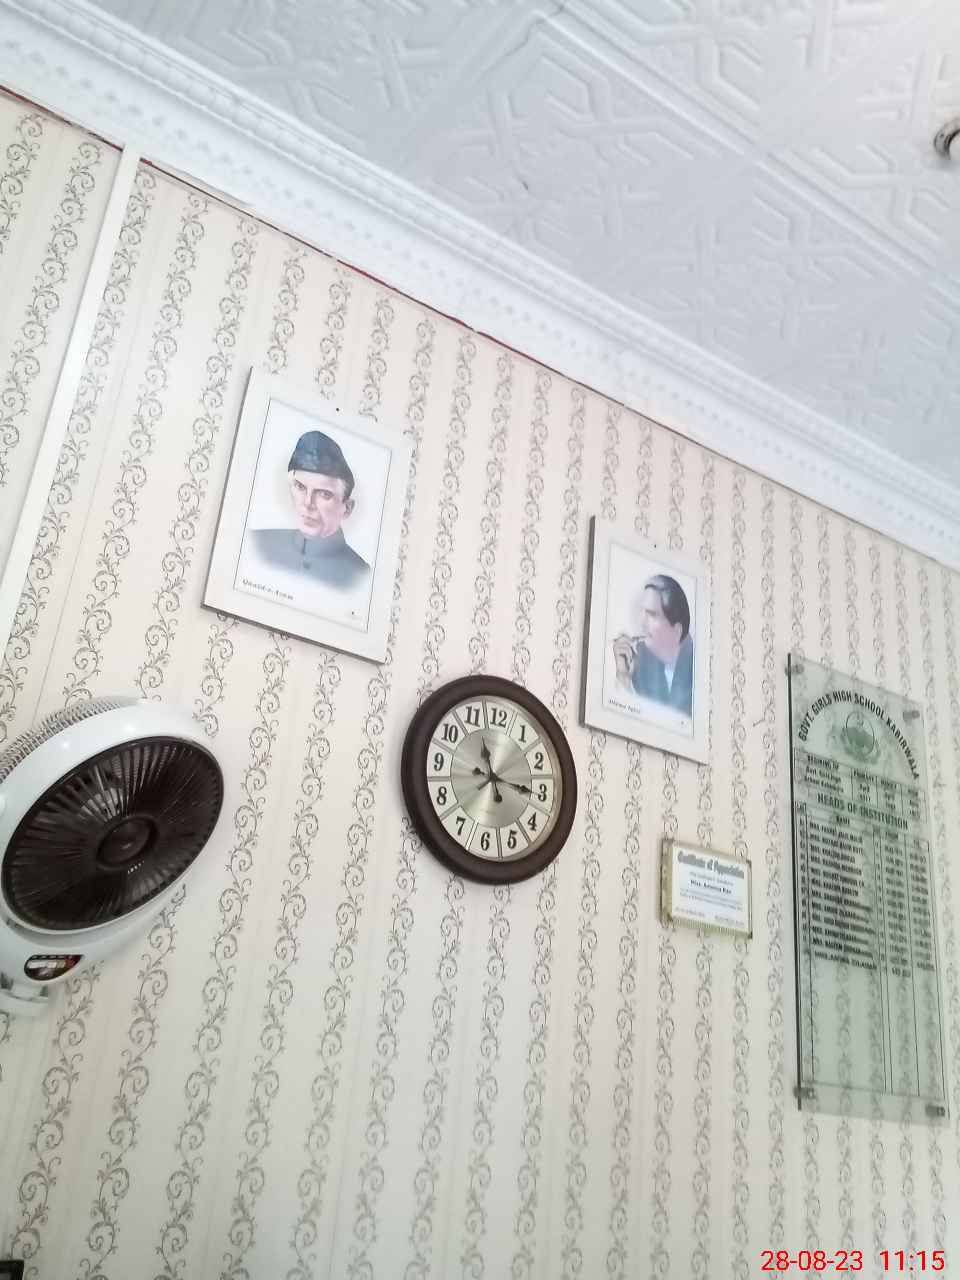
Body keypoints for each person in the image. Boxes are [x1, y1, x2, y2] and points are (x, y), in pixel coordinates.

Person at [249, 430, 370, 590]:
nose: (307, 503)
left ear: (347, 509)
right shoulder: (255, 543)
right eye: (300, 487)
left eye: (324, 494)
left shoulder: (361, 576)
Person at [612, 574, 693, 717]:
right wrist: (623, 677)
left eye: (652, 615)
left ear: (676, 631)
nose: (642, 623)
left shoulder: (697, 671)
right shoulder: (639, 662)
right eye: (643, 613)